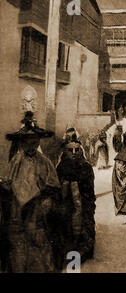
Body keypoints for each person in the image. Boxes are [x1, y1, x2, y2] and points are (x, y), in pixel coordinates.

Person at [0, 112, 66, 272]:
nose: (31, 144)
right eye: (27, 141)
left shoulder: (44, 162)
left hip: (38, 213)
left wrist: (46, 199)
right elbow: (7, 183)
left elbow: (53, 185)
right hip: (18, 215)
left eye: (34, 141)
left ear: (38, 141)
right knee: (18, 251)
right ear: (22, 142)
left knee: (40, 250)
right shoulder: (16, 160)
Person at [56, 128, 96, 263]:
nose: (74, 153)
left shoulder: (86, 167)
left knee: (85, 227)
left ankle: (83, 254)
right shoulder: (61, 167)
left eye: (77, 150)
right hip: (68, 203)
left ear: (81, 151)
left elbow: (90, 188)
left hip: (83, 202)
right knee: (67, 228)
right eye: (70, 150)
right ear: (65, 152)